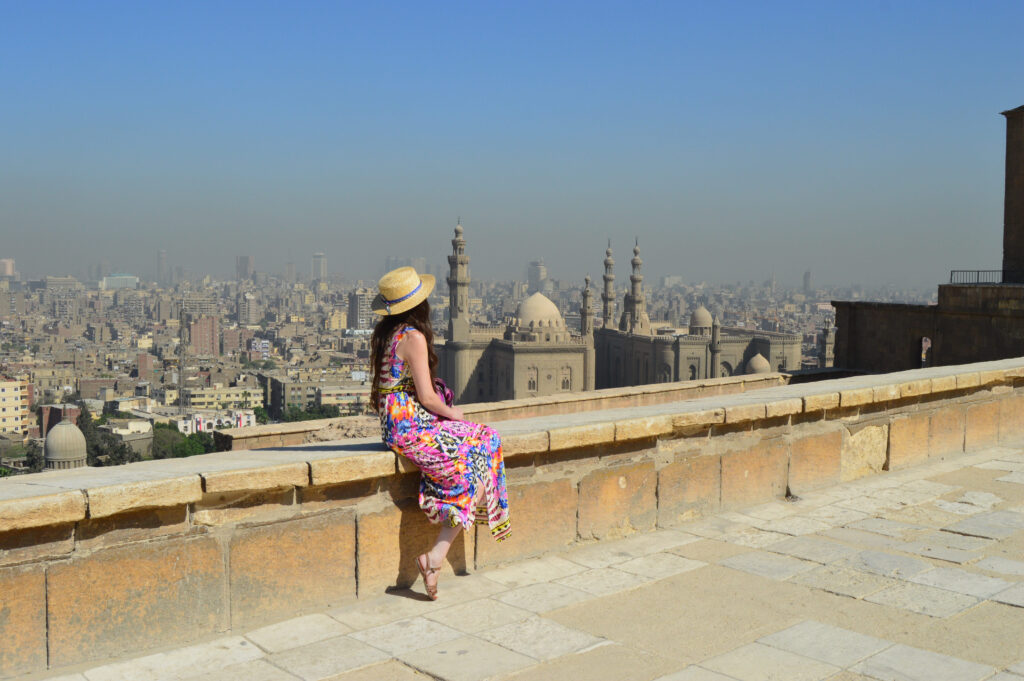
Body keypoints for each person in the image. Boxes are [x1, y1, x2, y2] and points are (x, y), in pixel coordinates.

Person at [370, 266, 511, 600]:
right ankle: (435, 555)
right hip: (412, 426)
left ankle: (433, 559)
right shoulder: (413, 338)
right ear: (419, 304)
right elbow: (427, 396)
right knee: (477, 467)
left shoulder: (388, 335)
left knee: (487, 441)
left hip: (397, 424)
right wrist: (453, 413)